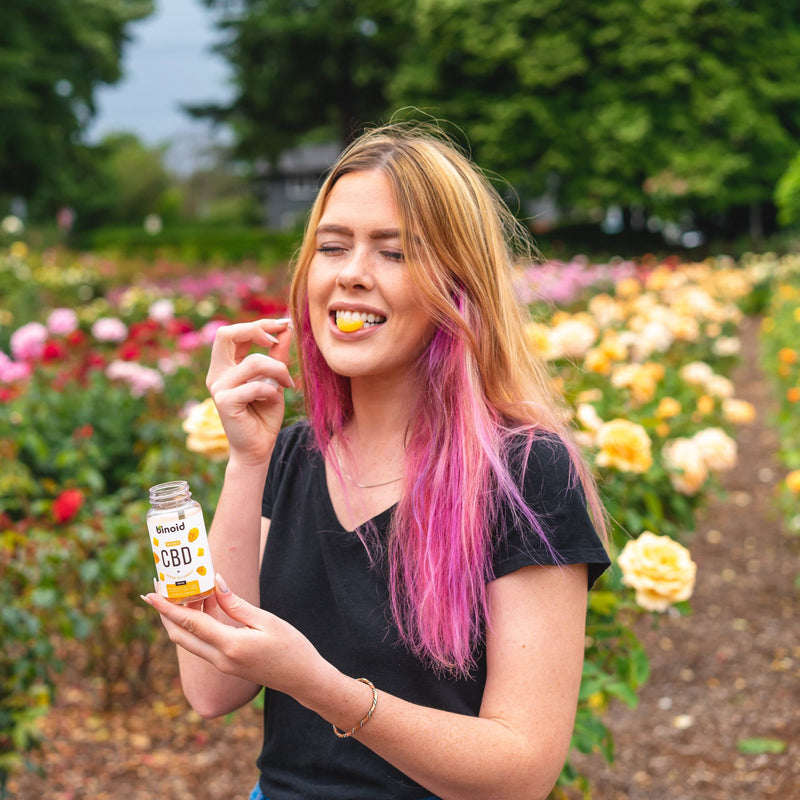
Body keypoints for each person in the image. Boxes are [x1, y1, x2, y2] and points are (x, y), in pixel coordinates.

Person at [142, 122, 610, 800]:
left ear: (458, 284)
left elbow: (522, 771)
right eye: (332, 246)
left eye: (393, 252)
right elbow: (212, 689)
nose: (351, 274)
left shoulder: (524, 471)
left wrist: (318, 685)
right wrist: (246, 461)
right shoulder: (292, 457)